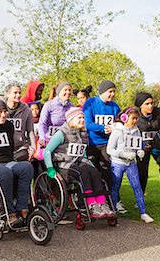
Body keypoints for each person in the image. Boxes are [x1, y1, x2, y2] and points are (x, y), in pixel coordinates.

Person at [44, 107, 115, 218]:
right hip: (64, 164)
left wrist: (90, 164)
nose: (82, 120)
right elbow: (47, 151)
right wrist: (50, 168)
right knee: (83, 173)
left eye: (83, 118)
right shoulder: (61, 133)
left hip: (78, 161)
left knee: (94, 172)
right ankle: (90, 204)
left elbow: (83, 151)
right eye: (79, 118)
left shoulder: (83, 132)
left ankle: (102, 203)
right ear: (71, 120)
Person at [106, 107, 154, 223]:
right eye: (133, 118)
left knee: (137, 186)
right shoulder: (117, 132)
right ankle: (113, 212)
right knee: (115, 188)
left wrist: (139, 151)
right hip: (118, 163)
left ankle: (143, 212)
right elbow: (109, 150)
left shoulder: (137, 131)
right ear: (125, 118)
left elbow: (137, 145)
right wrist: (122, 154)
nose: (135, 121)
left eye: (137, 118)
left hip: (131, 163)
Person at [82, 80, 122, 211]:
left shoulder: (115, 107)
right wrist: (104, 128)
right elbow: (88, 124)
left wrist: (115, 127)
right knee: (93, 172)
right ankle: (92, 202)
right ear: (103, 91)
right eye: (110, 91)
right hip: (92, 143)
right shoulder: (91, 103)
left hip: (108, 144)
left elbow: (121, 122)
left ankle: (113, 200)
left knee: (108, 172)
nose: (113, 94)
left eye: (114, 91)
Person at [134, 92, 160, 195]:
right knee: (142, 173)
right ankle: (140, 197)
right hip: (142, 148)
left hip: (157, 147)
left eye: (152, 103)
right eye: (147, 104)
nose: (150, 106)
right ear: (140, 105)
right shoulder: (135, 116)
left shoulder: (159, 112)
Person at [4, 84, 36, 161]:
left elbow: (30, 131)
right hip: (3, 149)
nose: (18, 95)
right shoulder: (0, 108)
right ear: (8, 94)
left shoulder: (26, 110)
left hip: (20, 148)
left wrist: (32, 149)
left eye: (19, 93)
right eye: (15, 93)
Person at [38, 81, 74, 148]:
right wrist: (42, 138)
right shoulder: (49, 105)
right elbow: (42, 124)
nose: (68, 92)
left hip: (65, 142)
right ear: (59, 92)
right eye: (65, 90)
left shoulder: (72, 106)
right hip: (49, 141)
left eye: (69, 90)